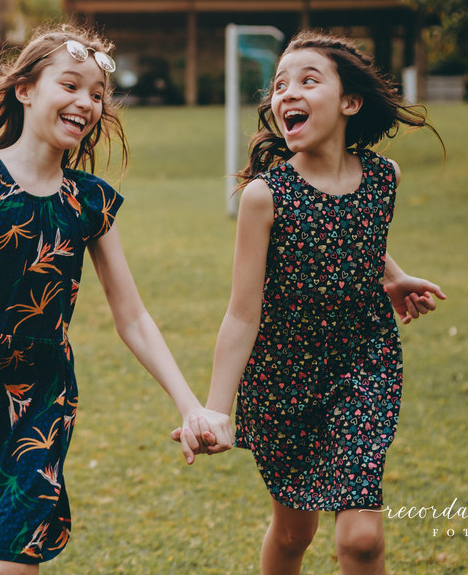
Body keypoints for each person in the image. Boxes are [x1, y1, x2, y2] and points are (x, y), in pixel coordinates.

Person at [0, 25, 228, 574]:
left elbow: (133, 317)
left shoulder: (89, 203)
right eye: (71, 85)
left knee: (12, 553)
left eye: (98, 94)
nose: (86, 102)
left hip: (43, 387)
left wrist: (190, 402)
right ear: (26, 89)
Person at [182, 30, 447, 575]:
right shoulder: (266, 196)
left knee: (362, 539)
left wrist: (390, 276)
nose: (288, 93)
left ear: (350, 102)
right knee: (293, 529)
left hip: (364, 368)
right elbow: (241, 312)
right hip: (282, 380)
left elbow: (357, 239)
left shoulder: (383, 179)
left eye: (308, 80)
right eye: (280, 85)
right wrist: (215, 408)